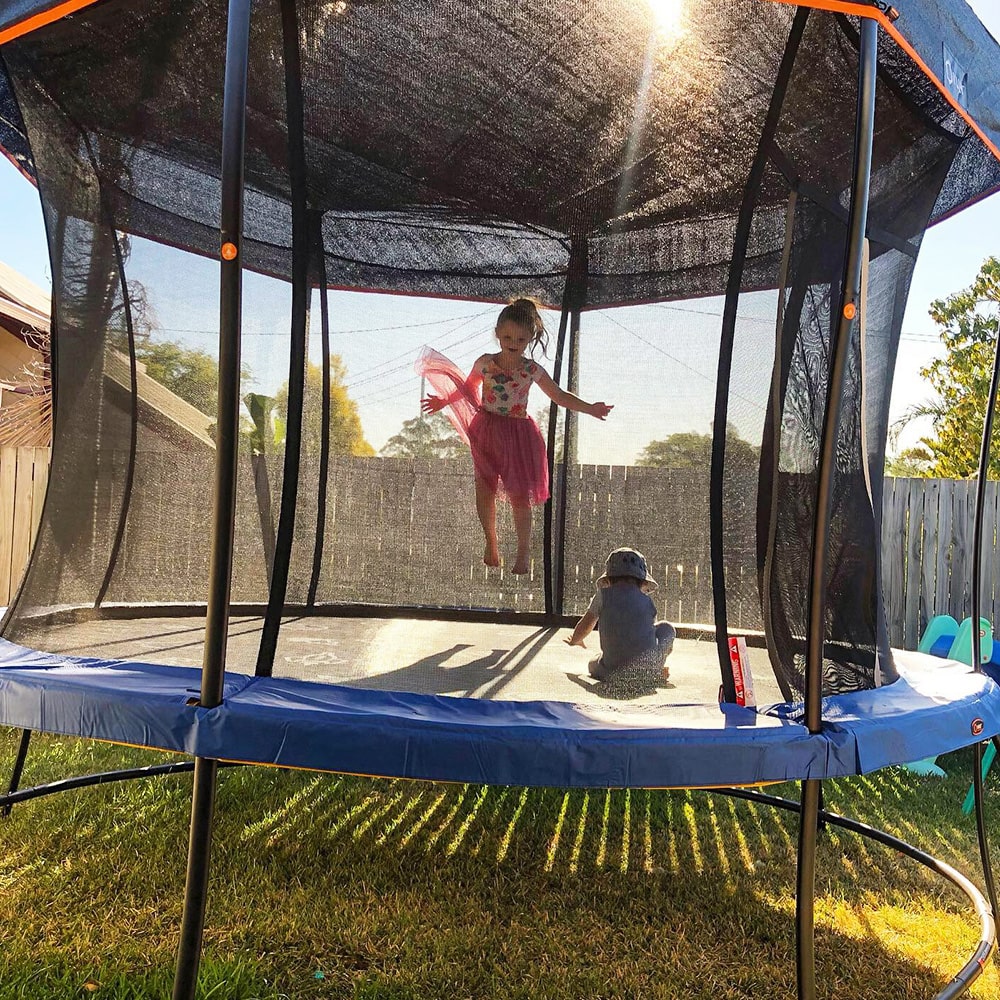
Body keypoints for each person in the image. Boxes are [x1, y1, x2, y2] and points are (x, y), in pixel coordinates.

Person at [418, 297, 613, 574]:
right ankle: (491, 542)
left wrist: (589, 408)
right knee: (484, 489)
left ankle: (523, 551)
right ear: (497, 333)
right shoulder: (485, 363)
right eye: (508, 336)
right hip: (487, 430)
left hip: (520, 436)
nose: (513, 342)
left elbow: (558, 395)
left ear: (529, 339)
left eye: (520, 339)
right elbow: (467, 388)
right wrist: (444, 401)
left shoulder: (530, 369)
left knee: (520, 496)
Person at [564, 547, 675, 684]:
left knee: (592, 663)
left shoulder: (603, 596)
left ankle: (645, 669)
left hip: (612, 671)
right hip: (645, 670)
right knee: (666, 628)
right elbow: (650, 633)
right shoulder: (647, 601)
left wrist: (575, 640)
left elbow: (586, 625)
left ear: (609, 579)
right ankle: (655, 669)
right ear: (642, 582)